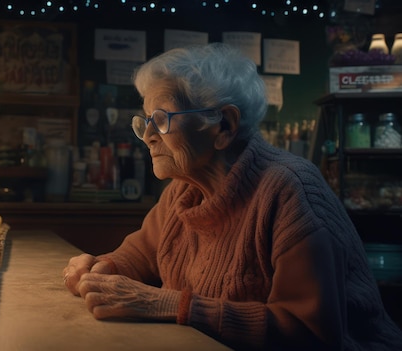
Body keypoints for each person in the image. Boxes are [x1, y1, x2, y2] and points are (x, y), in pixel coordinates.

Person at [62, 43, 402, 350]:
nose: (148, 136)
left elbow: (308, 333)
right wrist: (105, 267)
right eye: (146, 121)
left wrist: (171, 305)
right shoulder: (184, 190)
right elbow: (140, 253)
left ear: (224, 126)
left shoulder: (290, 192)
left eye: (162, 119)